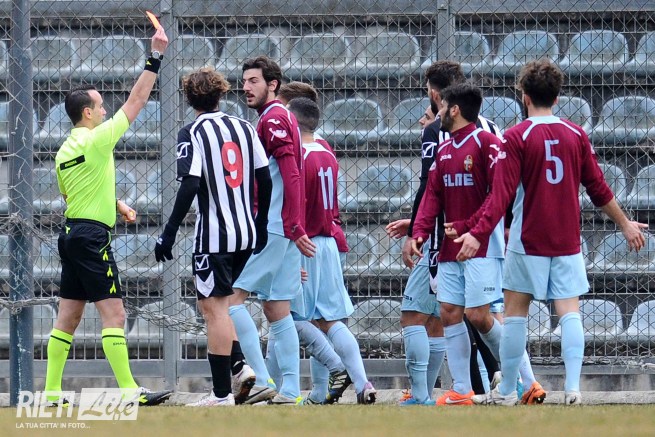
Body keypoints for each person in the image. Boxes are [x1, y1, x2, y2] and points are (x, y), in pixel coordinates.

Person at [453, 59, 647, 406]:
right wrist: (625, 223)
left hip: (528, 240)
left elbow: (500, 196)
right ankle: (573, 390)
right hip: (567, 240)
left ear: (524, 97)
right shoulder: (576, 134)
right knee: (569, 310)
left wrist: (477, 233)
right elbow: (598, 187)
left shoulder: (517, 136)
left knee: (516, 314)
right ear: (557, 98)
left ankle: (508, 391)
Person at [46, 27, 171, 406]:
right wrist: (155, 56)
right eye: (100, 107)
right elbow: (137, 100)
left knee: (67, 318)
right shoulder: (98, 139)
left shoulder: (64, 151)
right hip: (92, 238)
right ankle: (130, 391)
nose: (105, 111)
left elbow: (73, 194)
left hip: (71, 235)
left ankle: (51, 392)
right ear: (87, 113)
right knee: (114, 315)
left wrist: (117, 204)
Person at [154, 67, 272, 407]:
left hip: (214, 237)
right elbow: (264, 179)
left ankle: (221, 395)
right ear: (220, 93)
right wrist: (261, 223)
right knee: (220, 305)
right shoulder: (244, 126)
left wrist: (169, 231)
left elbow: (190, 183)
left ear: (189, 98)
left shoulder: (192, 132)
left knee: (214, 311)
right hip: (245, 233)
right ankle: (238, 365)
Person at [408, 83, 505, 406]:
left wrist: (473, 229)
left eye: (442, 107)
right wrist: (419, 233)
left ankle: (520, 378)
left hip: (481, 245)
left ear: (455, 109)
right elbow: (432, 195)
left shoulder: (487, 143)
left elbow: (499, 194)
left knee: (479, 315)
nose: (438, 114)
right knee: (449, 312)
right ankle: (462, 389)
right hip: (450, 247)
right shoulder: (445, 149)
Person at [230, 56, 316, 405]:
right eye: (244, 81)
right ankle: (291, 390)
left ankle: (262, 380)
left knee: (231, 299)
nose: (246, 87)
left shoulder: (274, 117)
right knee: (277, 308)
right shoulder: (280, 117)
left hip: (274, 225)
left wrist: (293, 224)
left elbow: (291, 172)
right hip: (284, 226)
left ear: (273, 84)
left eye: (253, 81)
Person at [287, 97, 377, 404]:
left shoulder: (298, 158)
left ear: (294, 123)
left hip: (304, 242)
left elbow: (294, 205)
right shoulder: (326, 152)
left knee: (288, 317)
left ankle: (335, 370)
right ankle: (361, 384)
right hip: (328, 242)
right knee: (329, 320)